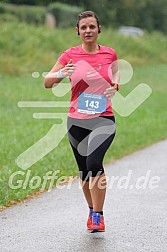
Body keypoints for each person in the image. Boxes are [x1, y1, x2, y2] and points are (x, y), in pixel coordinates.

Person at [44, 11, 120, 233]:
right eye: (84, 27)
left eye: (92, 27)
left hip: (103, 119)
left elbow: (115, 76)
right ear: (77, 31)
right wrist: (61, 74)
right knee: (83, 171)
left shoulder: (110, 54)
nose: (88, 31)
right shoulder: (69, 55)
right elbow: (47, 82)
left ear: (99, 29)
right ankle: (91, 210)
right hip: (76, 120)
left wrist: (115, 85)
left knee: (94, 163)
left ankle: (99, 215)